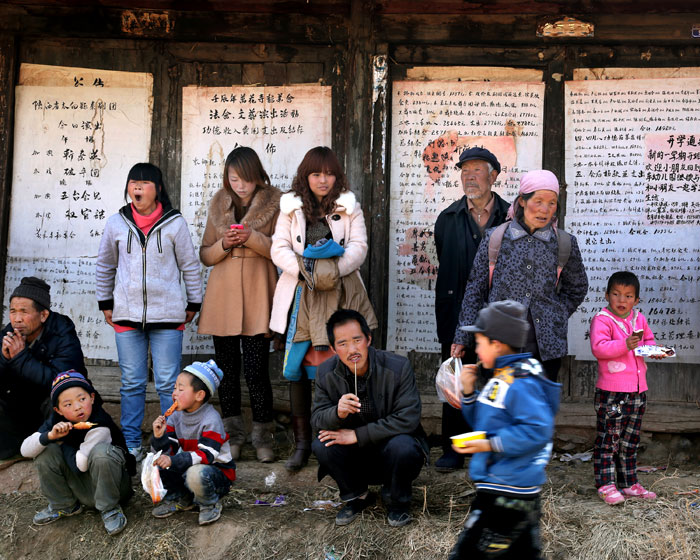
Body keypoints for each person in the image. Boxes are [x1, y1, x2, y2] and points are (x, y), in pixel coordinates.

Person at [270, 146, 377, 472]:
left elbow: (359, 247)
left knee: (346, 364)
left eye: (329, 173)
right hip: (302, 294)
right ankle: (303, 444)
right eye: (316, 173)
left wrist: (331, 272)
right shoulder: (291, 208)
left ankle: (340, 439)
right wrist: (306, 270)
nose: (323, 179)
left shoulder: (348, 207)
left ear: (337, 176)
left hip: (342, 294)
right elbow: (279, 248)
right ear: (306, 175)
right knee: (299, 369)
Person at [96, 163, 202, 460]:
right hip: (126, 315)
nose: (137, 188)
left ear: (158, 189)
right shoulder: (117, 223)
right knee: (132, 381)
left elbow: (189, 265)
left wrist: (193, 302)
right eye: (133, 183)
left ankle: (167, 440)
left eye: (144, 183)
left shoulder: (174, 223)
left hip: (167, 316)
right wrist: (105, 302)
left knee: (170, 383)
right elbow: (105, 265)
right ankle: (131, 442)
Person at [449, 300, 560, 559]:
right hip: (503, 486)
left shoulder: (520, 382)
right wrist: (467, 393)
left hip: (509, 492)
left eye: (479, 343)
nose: (476, 350)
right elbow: (484, 424)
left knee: (468, 554)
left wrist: (490, 444)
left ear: (496, 343)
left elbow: (538, 429)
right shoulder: (501, 377)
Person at [453, 169, 588, 382]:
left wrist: (555, 314)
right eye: (538, 201)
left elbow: (577, 287)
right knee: (498, 406)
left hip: (545, 349)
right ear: (522, 201)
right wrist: (462, 337)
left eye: (552, 203)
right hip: (499, 345)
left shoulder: (564, 243)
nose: (545, 209)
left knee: (537, 409)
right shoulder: (495, 238)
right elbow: (475, 289)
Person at [198, 147, 281, 463]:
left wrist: (250, 237)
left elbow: (282, 251)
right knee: (226, 372)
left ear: (257, 176)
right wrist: (224, 244)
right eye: (234, 179)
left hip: (259, 295)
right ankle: (233, 436)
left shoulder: (275, 205)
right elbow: (205, 255)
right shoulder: (219, 204)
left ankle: (264, 437)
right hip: (223, 298)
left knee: (258, 371)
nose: (240, 186)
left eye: (246, 179)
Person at [311, 309, 427, 528]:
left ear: (369, 339)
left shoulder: (397, 367)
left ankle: (397, 502)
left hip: (390, 451)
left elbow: (408, 418)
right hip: (355, 458)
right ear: (334, 349)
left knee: (404, 445)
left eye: (357, 340)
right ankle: (357, 496)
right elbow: (317, 419)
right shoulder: (325, 373)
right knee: (323, 443)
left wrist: (357, 435)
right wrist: (337, 412)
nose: (352, 349)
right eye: (343, 344)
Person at [434, 146, 510, 472]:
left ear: (493, 175)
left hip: (498, 313)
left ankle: (488, 448)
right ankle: (455, 447)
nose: (469, 176)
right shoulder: (448, 218)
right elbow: (444, 258)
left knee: (496, 380)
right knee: (457, 376)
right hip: (455, 310)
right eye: (465, 170)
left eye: (477, 170)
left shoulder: (510, 216)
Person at [20, 371, 134, 535]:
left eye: (82, 399)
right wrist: (50, 436)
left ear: (92, 398)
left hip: (113, 488)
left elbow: (81, 464)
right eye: (68, 404)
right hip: (82, 490)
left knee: (101, 453)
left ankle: (110, 509)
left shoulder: (100, 423)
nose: (78, 406)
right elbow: (25, 450)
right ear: (58, 410)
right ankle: (64, 505)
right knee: (45, 449)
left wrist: (61, 442)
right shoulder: (55, 421)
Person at [590, 271, 667, 505]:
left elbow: (648, 342)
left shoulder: (638, 319)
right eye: (616, 294)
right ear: (606, 295)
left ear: (636, 300)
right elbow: (599, 348)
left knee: (630, 440)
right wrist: (624, 344)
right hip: (612, 392)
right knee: (609, 439)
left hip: (637, 391)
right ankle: (606, 484)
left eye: (628, 296)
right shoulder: (602, 319)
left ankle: (628, 482)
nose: (622, 300)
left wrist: (654, 351)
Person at [0, 276, 87, 459]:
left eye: (24, 312)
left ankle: (59, 455)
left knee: (63, 398)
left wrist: (20, 359)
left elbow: (60, 381)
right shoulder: (8, 334)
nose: (17, 319)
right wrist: (4, 358)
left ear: (43, 315)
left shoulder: (62, 333)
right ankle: (14, 449)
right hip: (21, 409)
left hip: (49, 411)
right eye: (13, 311)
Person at [150, 359, 235, 526]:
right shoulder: (174, 416)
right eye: (175, 388)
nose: (174, 393)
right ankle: (180, 497)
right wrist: (159, 437)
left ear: (199, 395)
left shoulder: (211, 420)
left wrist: (172, 461)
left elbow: (206, 456)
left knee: (195, 474)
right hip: (188, 467)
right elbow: (168, 452)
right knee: (155, 462)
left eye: (181, 389)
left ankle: (209, 502)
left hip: (215, 473)